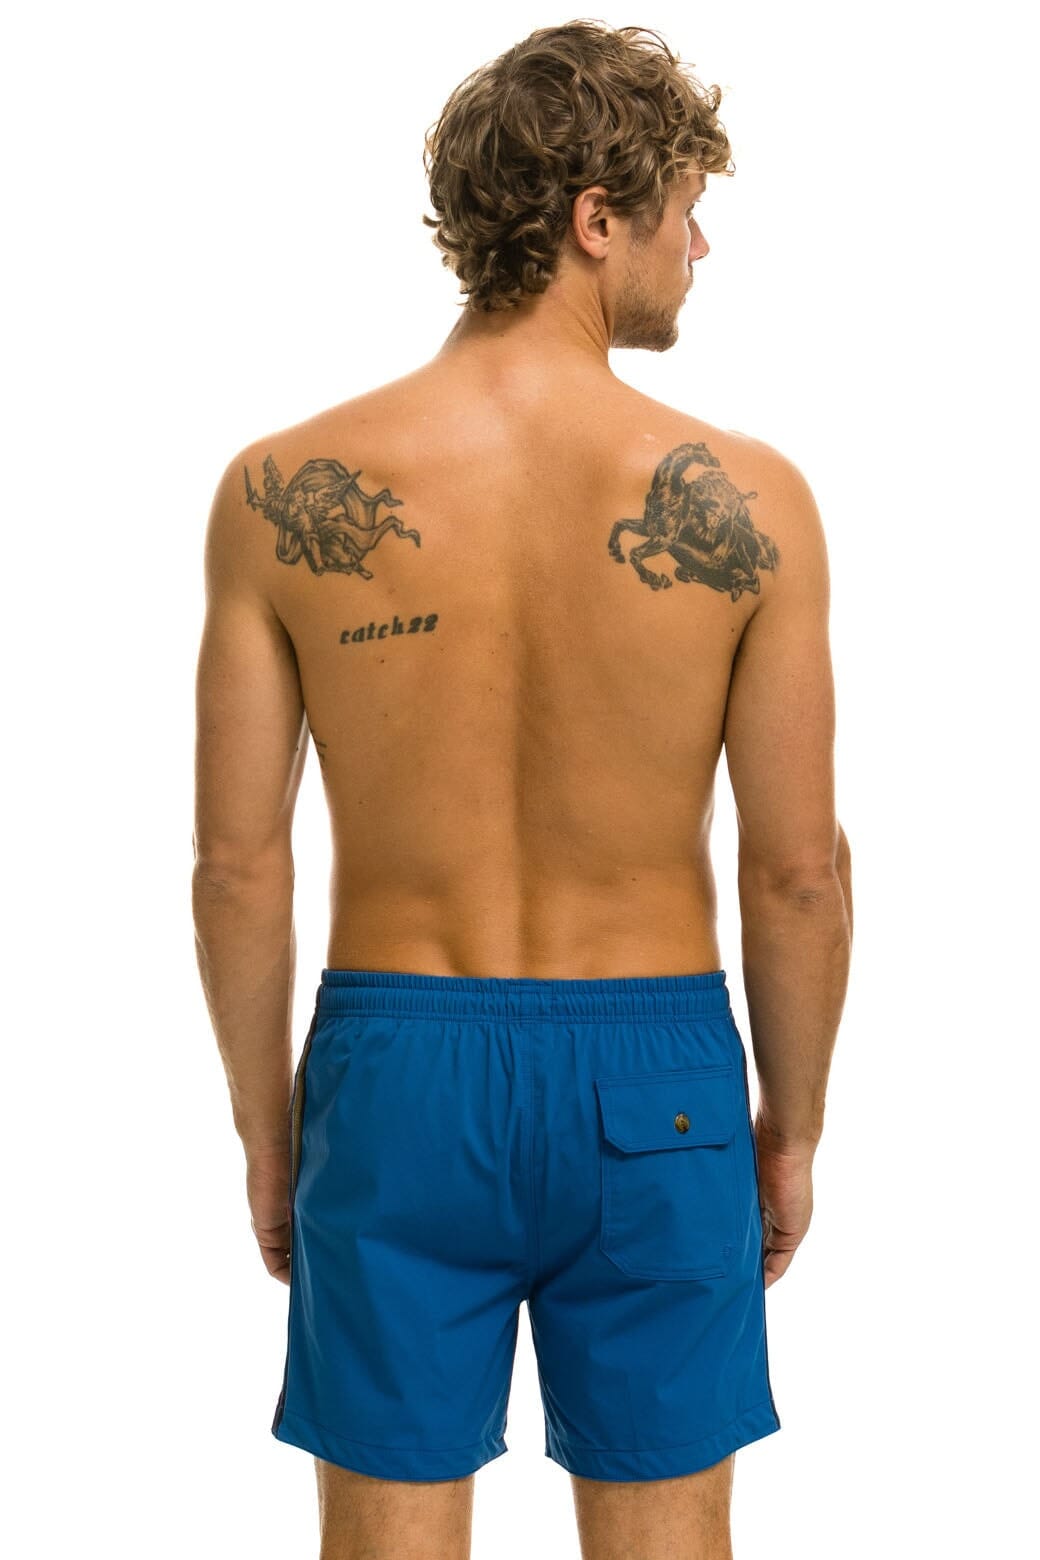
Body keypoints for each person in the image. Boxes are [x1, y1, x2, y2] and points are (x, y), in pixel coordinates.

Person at [192, 19, 852, 1560]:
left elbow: (236, 865)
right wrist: (793, 1130)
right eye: (685, 209)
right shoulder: (749, 504)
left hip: (396, 1074)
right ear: (595, 218)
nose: (701, 247)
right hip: (657, 1077)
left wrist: (270, 1136)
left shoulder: (281, 492)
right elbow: (799, 869)